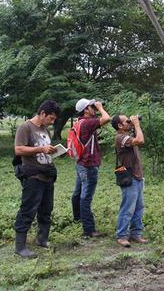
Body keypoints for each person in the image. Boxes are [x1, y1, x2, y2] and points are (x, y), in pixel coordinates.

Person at [13, 100, 61, 258]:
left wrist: (54, 151)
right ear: (42, 114)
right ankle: (20, 246)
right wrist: (41, 149)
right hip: (33, 176)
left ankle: (42, 239)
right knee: (27, 210)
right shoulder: (25, 127)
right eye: (51, 118)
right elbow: (19, 149)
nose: (52, 122)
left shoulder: (44, 129)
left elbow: (44, 150)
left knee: (46, 209)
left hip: (47, 174)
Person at [71, 98, 111, 238]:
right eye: (91, 106)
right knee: (85, 197)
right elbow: (106, 118)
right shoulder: (87, 123)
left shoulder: (79, 122)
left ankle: (77, 218)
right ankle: (88, 229)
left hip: (80, 163)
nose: (93, 107)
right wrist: (100, 107)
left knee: (78, 192)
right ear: (85, 110)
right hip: (88, 165)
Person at [111, 115, 147, 247]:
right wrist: (136, 124)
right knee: (128, 207)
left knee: (138, 207)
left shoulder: (127, 135)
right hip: (129, 177)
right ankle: (121, 235)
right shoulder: (120, 137)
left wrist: (134, 124)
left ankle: (136, 233)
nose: (129, 122)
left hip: (137, 176)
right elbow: (140, 140)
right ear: (120, 126)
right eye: (126, 121)